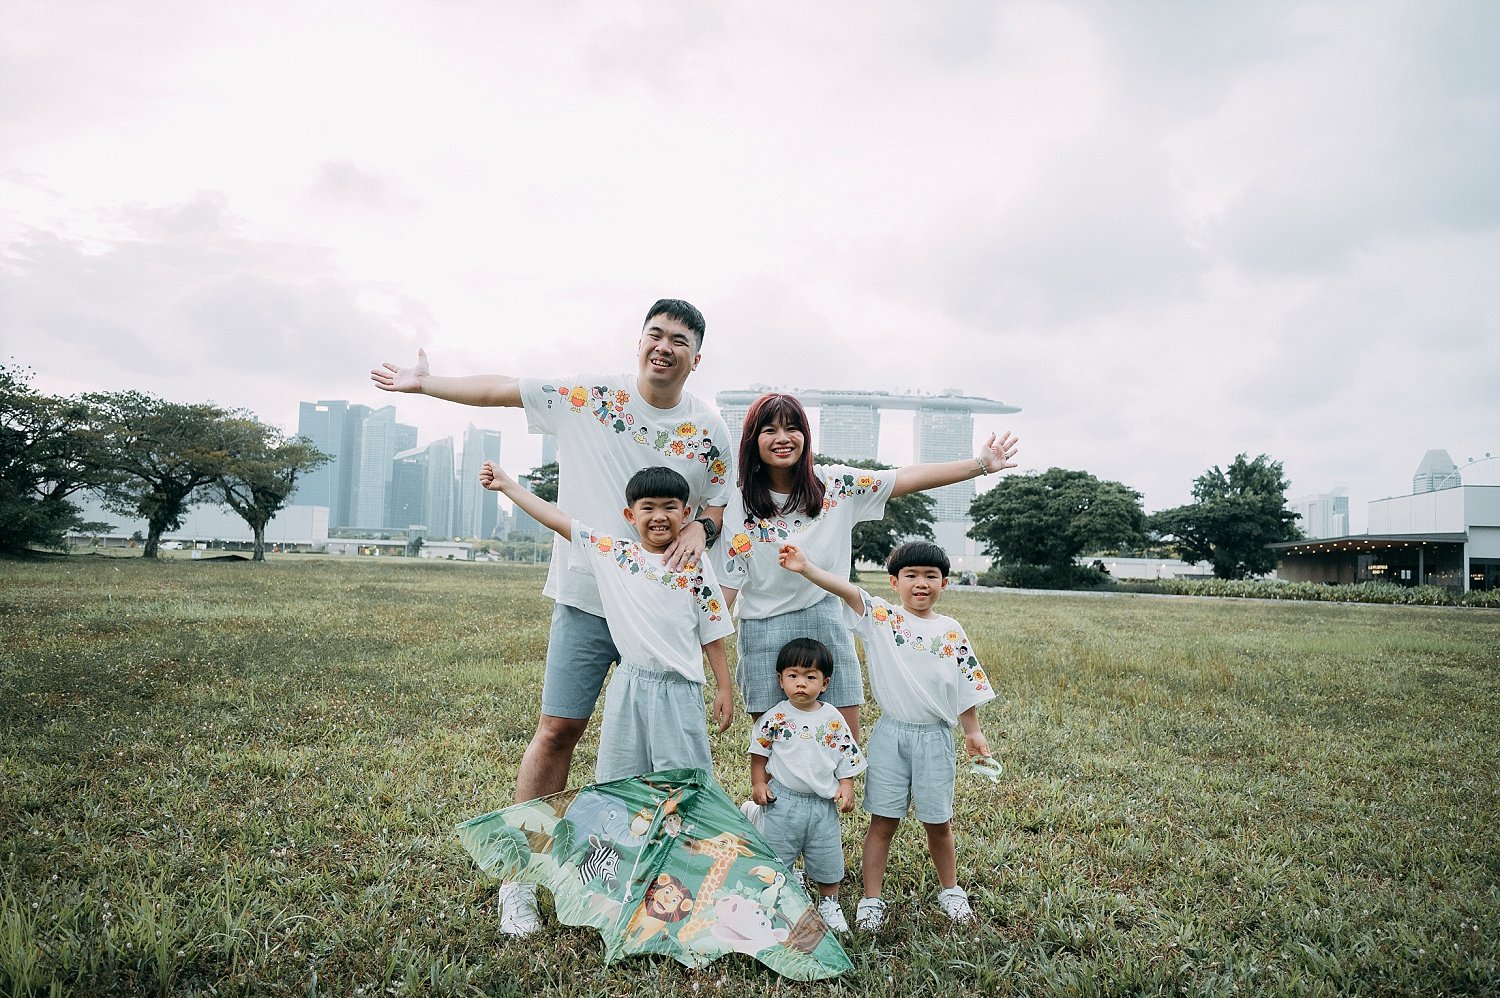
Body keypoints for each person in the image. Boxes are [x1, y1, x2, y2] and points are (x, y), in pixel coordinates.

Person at [371, 299, 732, 935]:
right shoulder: (587, 396)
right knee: (559, 729)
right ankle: (521, 880)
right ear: (639, 341)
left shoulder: (709, 428)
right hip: (587, 595)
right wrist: (423, 384)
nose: (664, 347)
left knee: (662, 753)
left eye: (679, 340)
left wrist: (703, 527)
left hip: (662, 612)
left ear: (695, 358)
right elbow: (499, 390)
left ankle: (653, 884)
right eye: (655, 334)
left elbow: (717, 506)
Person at [719, 392, 1016, 741]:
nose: (782, 438)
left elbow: (906, 477)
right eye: (769, 430)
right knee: (776, 749)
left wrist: (979, 465)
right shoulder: (738, 504)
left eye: (792, 428)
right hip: (763, 628)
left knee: (843, 744)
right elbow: (727, 585)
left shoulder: (835, 485)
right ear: (753, 440)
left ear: (805, 435)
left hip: (826, 618)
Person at [778, 539, 996, 930]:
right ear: (894, 582)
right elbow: (845, 589)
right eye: (911, 575)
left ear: (944, 583)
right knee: (883, 820)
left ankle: (951, 890)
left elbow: (966, 683)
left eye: (931, 576)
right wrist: (806, 567)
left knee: (938, 821)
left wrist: (973, 732)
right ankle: (871, 900)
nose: (921, 583)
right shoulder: (883, 617)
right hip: (891, 735)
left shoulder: (951, 630)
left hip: (935, 739)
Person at [480, 460, 735, 782]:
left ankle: (681, 833)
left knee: (682, 781)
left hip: (679, 690)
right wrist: (507, 485)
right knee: (620, 778)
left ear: (685, 515)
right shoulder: (615, 555)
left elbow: (712, 629)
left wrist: (724, 687)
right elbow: (559, 520)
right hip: (629, 685)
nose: (659, 516)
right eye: (648, 508)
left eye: (669, 507)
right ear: (630, 515)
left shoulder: (694, 564)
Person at [741, 637, 867, 933]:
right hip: (782, 800)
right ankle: (777, 900)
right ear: (780, 679)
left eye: (810, 677)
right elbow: (759, 753)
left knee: (827, 856)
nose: (801, 683)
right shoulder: (776, 717)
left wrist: (846, 786)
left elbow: (845, 757)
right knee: (778, 853)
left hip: (822, 805)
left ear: (824, 683)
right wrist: (759, 784)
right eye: (793, 676)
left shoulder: (832, 719)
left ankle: (829, 903)